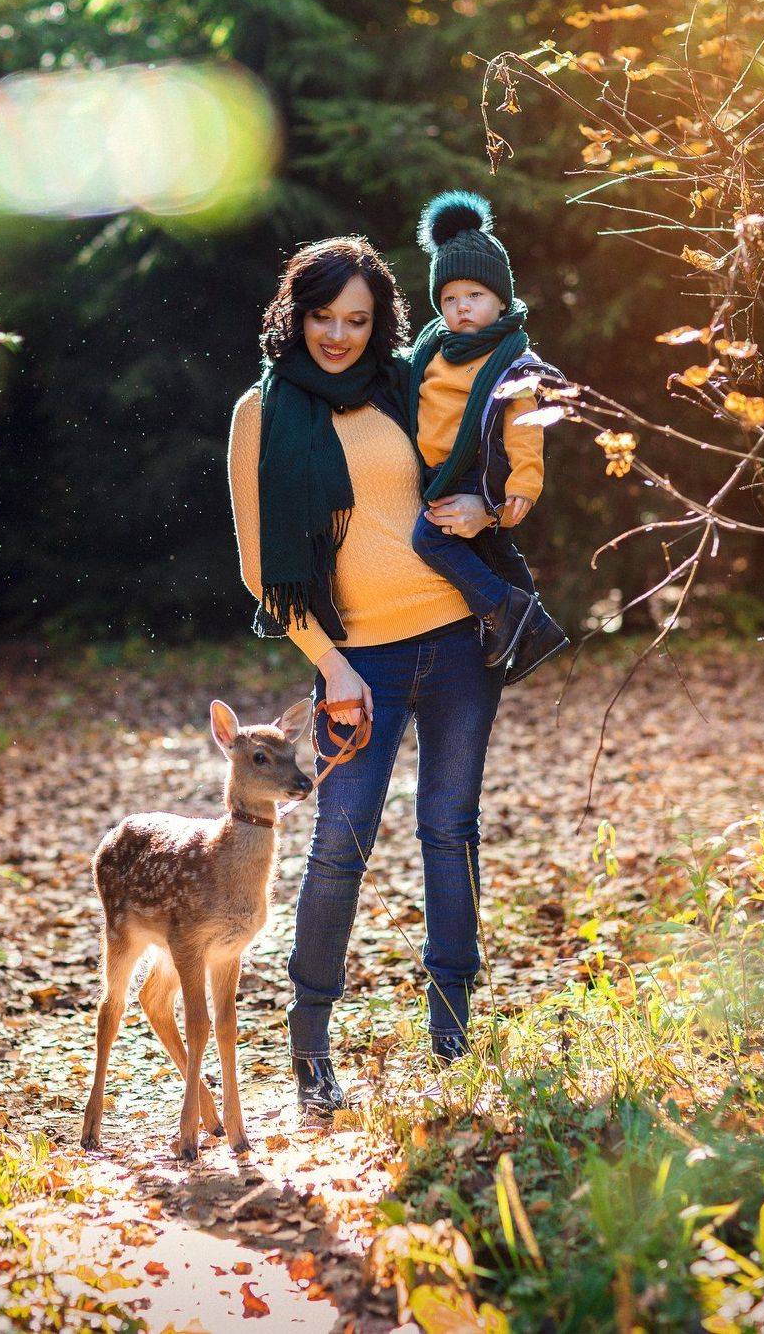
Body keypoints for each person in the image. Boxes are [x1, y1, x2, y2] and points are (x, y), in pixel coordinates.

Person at [227, 236, 509, 1119]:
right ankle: (310, 1056)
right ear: (295, 314)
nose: (339, 335)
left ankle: (452, 1042)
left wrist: (488, 507)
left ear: (378, 321)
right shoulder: (260, 412)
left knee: (449, 832)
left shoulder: (403, 385)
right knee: (338, 848)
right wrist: (332, 667)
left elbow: (484, 451)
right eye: (323, 317)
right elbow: (258, 569)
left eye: (357, 319)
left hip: (458, 643)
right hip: (358, 662)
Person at [408, 190, 570, 682]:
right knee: (496, 553)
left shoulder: (509, 361)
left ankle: (508, 610)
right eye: (449, 299)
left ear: (501, 300)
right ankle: (534, 629)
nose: (461, 308)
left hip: (476, 470)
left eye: (474, 296)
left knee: (429, 539)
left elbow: (525, 426)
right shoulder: (433, 350)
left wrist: (525, 482)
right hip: (438, 470)